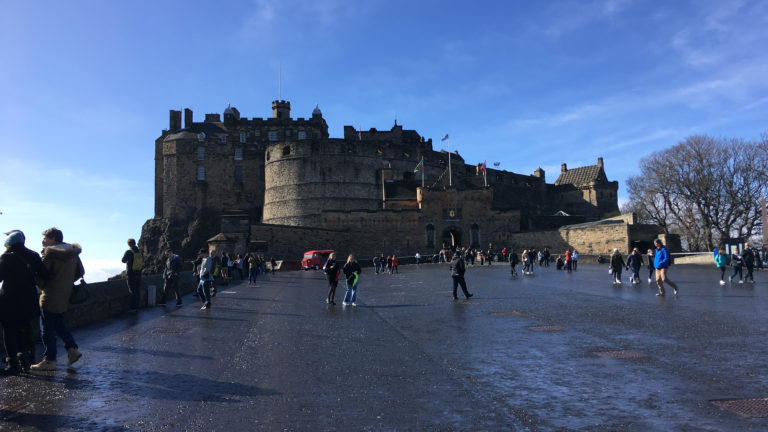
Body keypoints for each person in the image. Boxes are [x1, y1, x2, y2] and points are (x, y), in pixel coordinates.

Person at [30, 228, 84, 371]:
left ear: (53, 239)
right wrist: (65, 282)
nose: (43, 241)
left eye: (45, 238)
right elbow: (81, 271)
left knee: (46, 329)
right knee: (59, 324)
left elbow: (43, 276)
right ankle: (72, 350)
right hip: (64, 294)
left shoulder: (50, 253)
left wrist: (37, 281)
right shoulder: (73, 252)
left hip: (49, 295)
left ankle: (50, 360)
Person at [0, 231, 48, 375]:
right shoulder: (33, 255)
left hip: (9, 300)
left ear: (9, 243)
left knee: (9, 332)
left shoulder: (6, 257)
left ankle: (13, 364)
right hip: (29, 299)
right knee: (25, 330)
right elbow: (45, 275)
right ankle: (26, 360)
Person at [121, 238, 143, 312]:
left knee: (132, 291)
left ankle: (133, 307)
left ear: (129, 244)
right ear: (135, 243)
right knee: (137, 290)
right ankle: (138, 306)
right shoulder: (140, 251)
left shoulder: (128, 252)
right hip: (138, 273)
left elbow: (123, 260)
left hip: (131, 274)